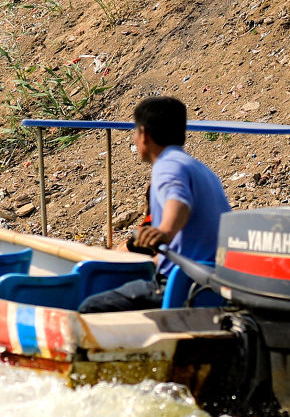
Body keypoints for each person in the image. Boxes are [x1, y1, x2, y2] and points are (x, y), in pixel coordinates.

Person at [81, 96, 231, 313]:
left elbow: (178, 201)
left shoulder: (167, 165)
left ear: (144, 135)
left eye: (135, 132)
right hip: (213, 284)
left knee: (90, 306)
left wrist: (165, 231)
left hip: (182, 286)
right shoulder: (198, 168)